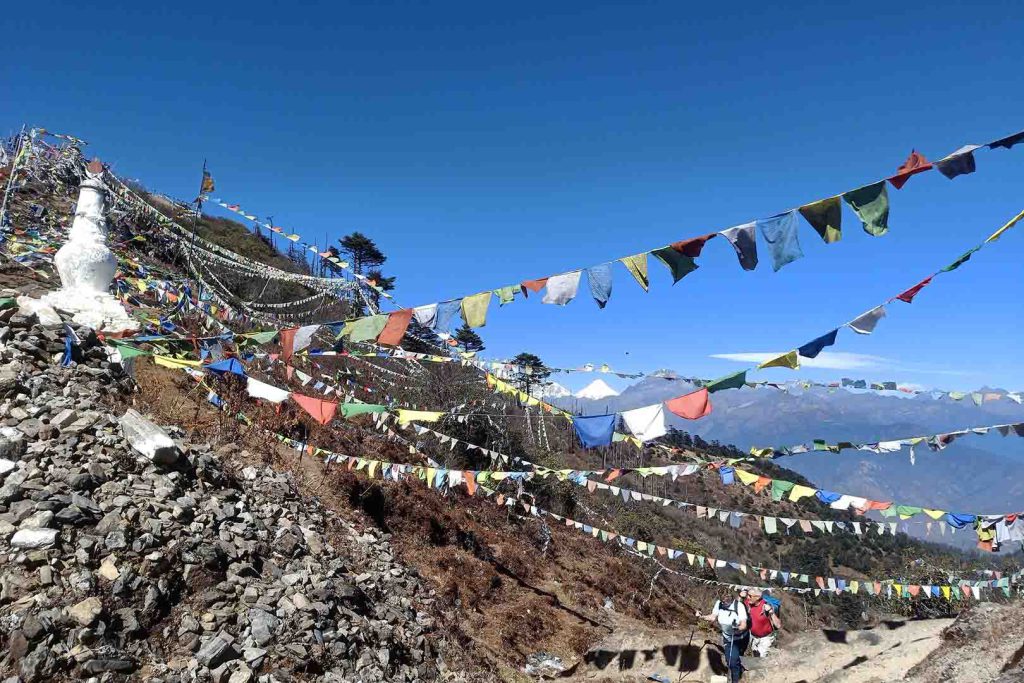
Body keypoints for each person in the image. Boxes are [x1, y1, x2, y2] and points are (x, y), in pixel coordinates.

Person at [697, 588, 748, 683]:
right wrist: (701, 616)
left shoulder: (739, 605)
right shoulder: (718, 604)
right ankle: (736, 678)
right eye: (723, 600)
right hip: (728, 638)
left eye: (727, 600)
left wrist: (736, 628)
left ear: (732, 598)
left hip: (740, 638)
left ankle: (738, 674)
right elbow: (713, 617)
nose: (725, 602)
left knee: (735, 660)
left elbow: (744, 624)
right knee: (731, 661)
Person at [743, 588, 782, 657]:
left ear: (757, 598)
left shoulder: (766, 606)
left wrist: (771, 612)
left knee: (761, 657)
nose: (747, 597)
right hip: (753, 637)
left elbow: (778, 625)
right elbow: (735, 606)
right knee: (755, 655)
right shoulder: (748, 603)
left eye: (750, 596)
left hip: (766, 638)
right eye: (747, 595)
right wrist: (740, 597)